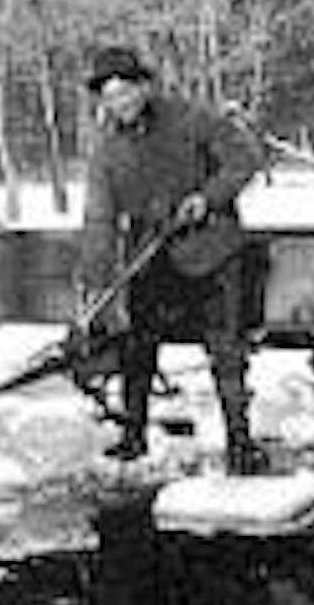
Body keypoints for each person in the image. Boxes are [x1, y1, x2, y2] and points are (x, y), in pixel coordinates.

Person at [75, 44, 271, 472]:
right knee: (136, 347)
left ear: (144, 86)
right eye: (109, 98)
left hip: (214, 251)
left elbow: (245, 159)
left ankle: (240, 444)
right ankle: (133, 437)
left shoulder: (192, 118)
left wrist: (207, 198)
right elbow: (99, 217)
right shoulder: (108, 150)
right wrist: (97, 279)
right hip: (153, 256)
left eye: (125, 92)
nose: (119, 104)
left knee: (226, 351)